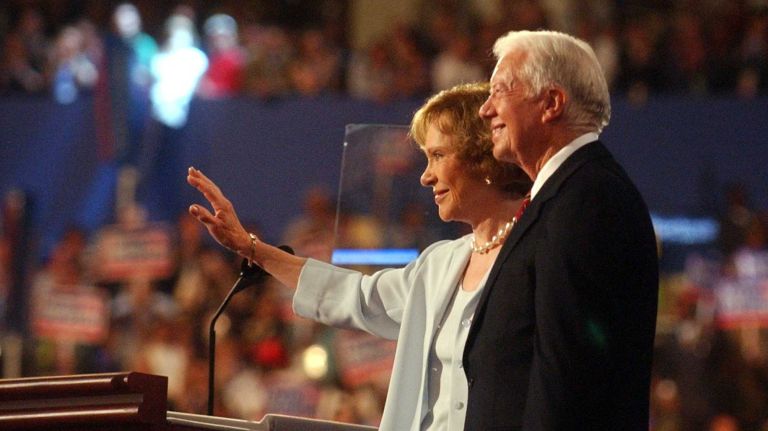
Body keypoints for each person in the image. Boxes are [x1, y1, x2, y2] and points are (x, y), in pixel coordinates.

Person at [187, 82, 532, 430]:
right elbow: (357, 297)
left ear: (483, 155)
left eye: (438, 156)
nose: (426, 176)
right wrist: (252, 249)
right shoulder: (440, 264)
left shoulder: (539, 254)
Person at [473, 30, 659, 430]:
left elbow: (568, 373)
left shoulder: (588, 201)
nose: (484, 110)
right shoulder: (567, 195)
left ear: (551, 103)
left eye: (500, 91)